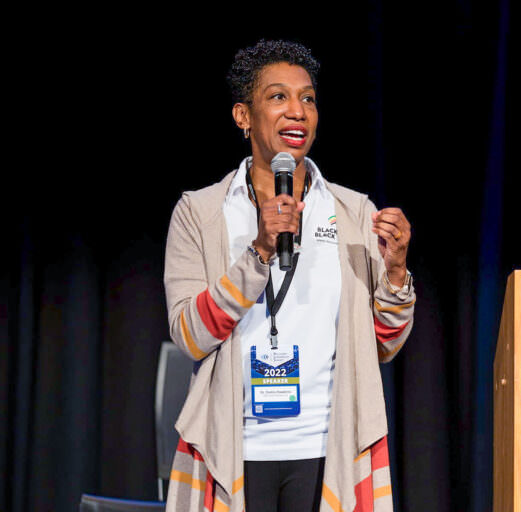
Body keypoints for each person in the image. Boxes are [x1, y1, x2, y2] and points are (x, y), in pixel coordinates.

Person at [163, 40, 414, 512]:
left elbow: (385, 344)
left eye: (308, 99)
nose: (297, 111)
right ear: (243, 116)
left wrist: (396, 272)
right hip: (234, 450)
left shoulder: (353, 211)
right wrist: (259, 252)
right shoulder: (200, 213)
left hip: (329, 449)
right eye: (278, 97)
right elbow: (190, 336)